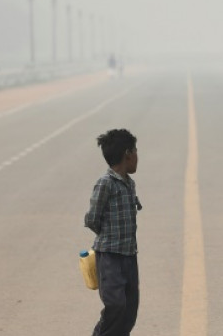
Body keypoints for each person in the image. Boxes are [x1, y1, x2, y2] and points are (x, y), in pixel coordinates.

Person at [85, 129, 142, 335]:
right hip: (109, 257)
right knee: (116, 305)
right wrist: (108, 239)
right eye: (136, 151)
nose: (137, 157)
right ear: (128, 153)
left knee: (129, 310)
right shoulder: (105, 184)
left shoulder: (129, 184)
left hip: (129, 256)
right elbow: (92, 219)